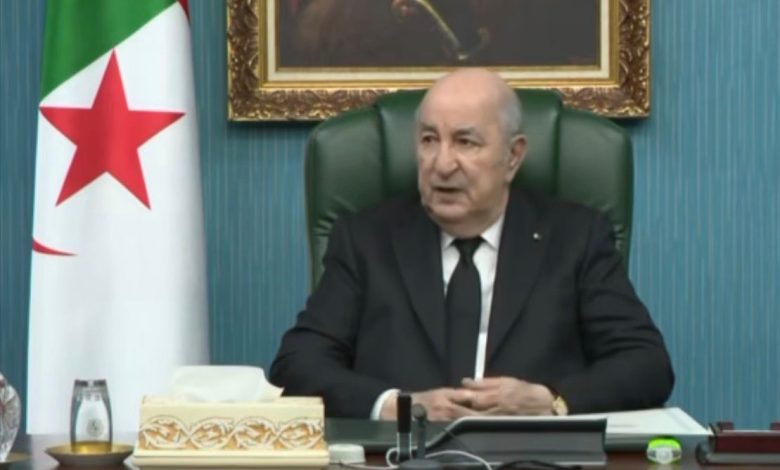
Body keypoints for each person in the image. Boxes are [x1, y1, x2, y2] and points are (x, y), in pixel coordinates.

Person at [270, 68, 674, 421]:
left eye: (465, 142)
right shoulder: (366, 240)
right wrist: (399, 407)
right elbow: (297, 364)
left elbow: (647, 365)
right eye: (429, 140)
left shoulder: (575, 239)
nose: (442, 164)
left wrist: (551, 401)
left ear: (513, 156)